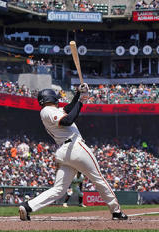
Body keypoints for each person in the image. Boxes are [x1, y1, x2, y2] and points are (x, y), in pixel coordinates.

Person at [18, 85, 128, 221]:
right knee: (98, 179)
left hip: (65, 152)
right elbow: (68, 120)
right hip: (75, 147)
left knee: (59, 189)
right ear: (50, 97)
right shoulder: (47, 110)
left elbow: (68, 109)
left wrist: (78, 94)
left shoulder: (51, 110)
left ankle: (28, 206)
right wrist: (81, 101)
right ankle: (116, 212)